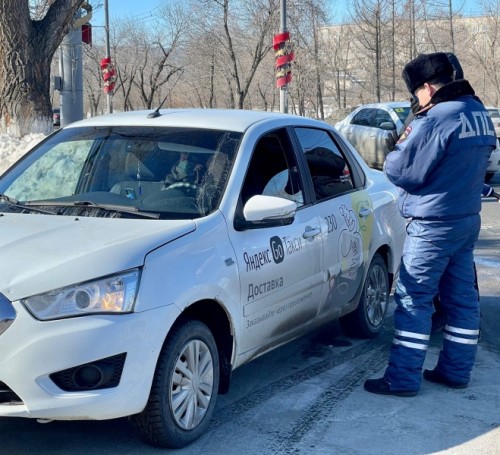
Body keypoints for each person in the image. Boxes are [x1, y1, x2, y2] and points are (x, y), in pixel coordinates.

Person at [364, 52, 497, 397]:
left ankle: (403, 378)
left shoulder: (436, 118)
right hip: (466, 221)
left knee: (413, 300)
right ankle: (455, 371)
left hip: (432, 224)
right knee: (463, 301)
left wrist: (394, 149)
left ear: (426, 86)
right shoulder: (478, 113)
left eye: (416, 94)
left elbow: (402, 171)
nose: (416, 101)